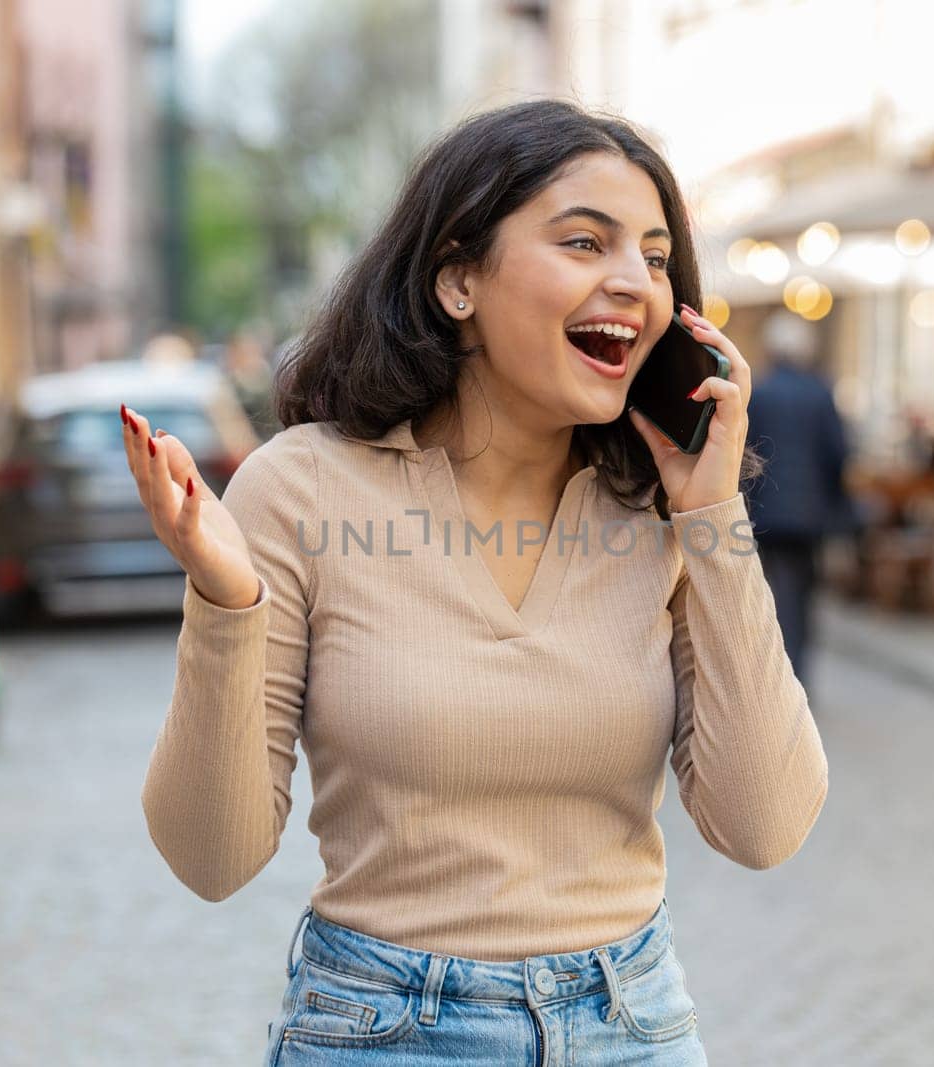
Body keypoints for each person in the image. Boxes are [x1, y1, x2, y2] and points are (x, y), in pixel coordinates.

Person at [122, 99, 828, 1064]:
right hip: (379, 1029)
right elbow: (212, 857)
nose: (635, 282)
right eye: (586, 242)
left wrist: (713, 521)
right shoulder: (303, 485)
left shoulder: (660, 510)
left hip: (632, 1026)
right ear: (458, 280)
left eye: (657, 258)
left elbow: (764, 825)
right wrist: (224, 604)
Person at [742, 310, 850, 687]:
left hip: (767, 512)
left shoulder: (760, 391)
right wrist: (834, 501)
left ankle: (776, 672)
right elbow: (838, 452)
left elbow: (745, 450)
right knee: (802, 593)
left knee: (769, 589)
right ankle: (796, 671)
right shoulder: (820, 393)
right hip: (809, 513)